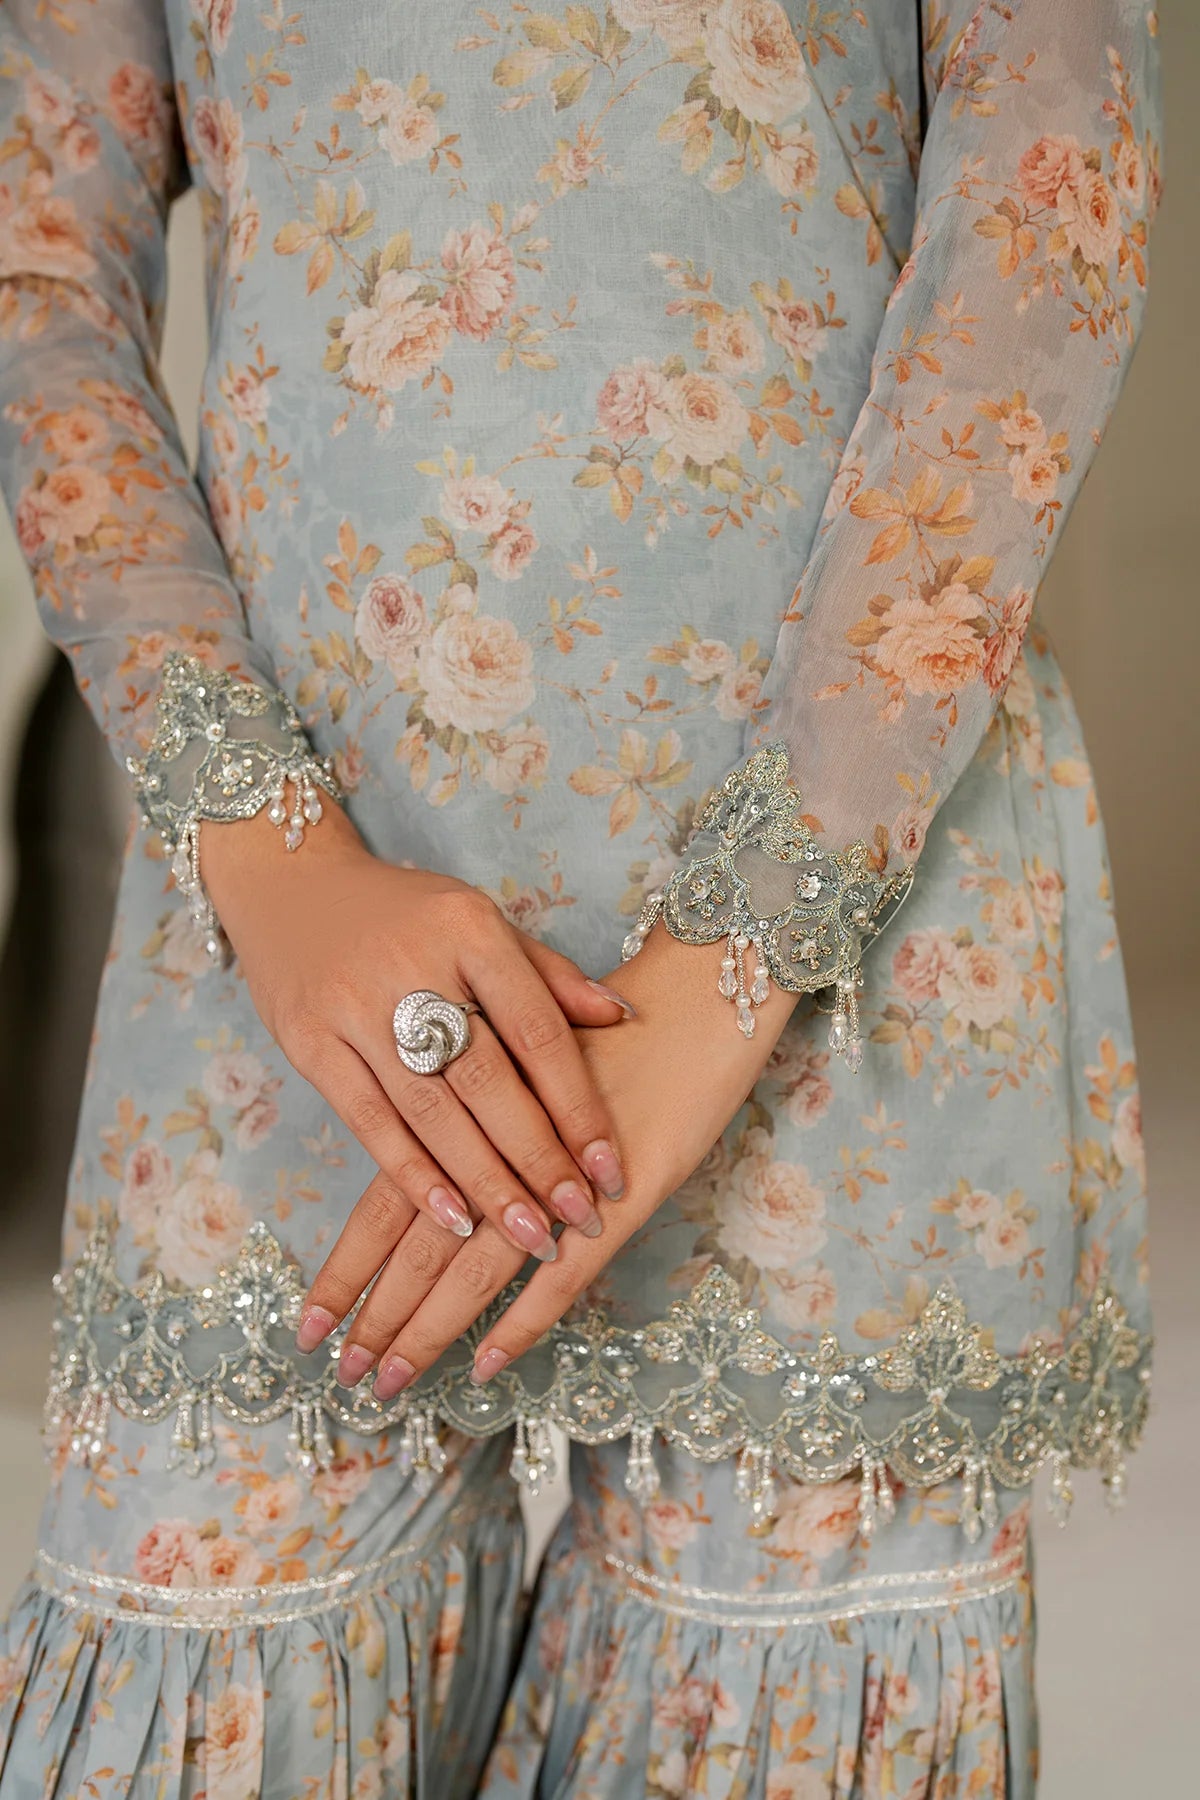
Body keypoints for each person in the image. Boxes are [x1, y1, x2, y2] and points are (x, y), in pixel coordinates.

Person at [0, 1, 1163, 1794]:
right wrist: (269, 848)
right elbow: (42, 286)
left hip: (846, 981)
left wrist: (742, 950)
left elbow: (1048, 213)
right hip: (299, 977)